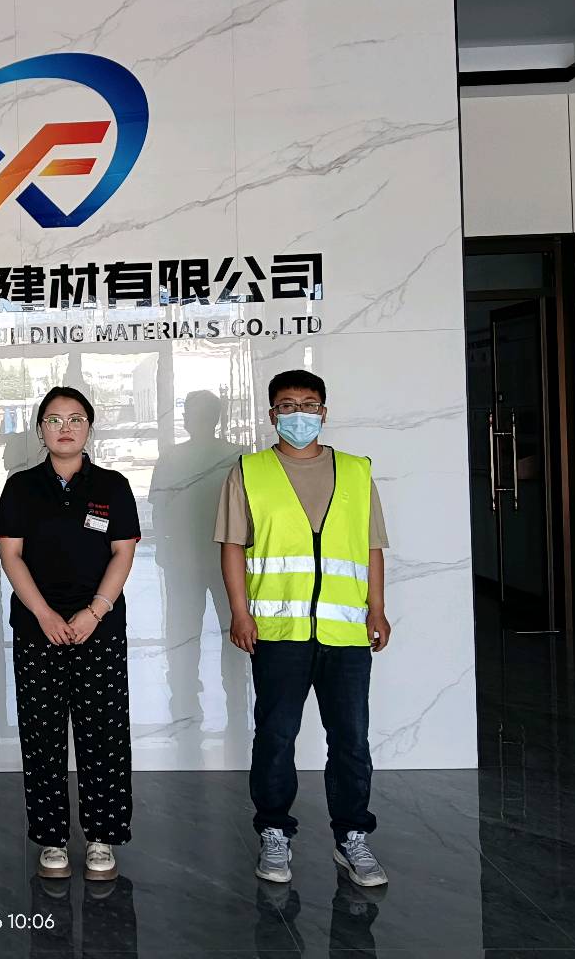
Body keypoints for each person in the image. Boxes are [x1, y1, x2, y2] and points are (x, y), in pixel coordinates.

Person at [217, 370, 393, 888]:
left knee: (351, 738)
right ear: (273, 415)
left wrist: (377, 609)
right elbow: (232, 547)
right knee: (276, 735)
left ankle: (352, 836)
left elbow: (372, 547)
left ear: (324, 411)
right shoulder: (249, 472)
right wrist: (240, 613)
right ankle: (274, 832)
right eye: (288, 405)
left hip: (345, 632)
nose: (300, 413)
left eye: (309, 404)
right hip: (278, 630)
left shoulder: (357, 471)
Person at [0, 386, 140, 883]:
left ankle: (102, 836)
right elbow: (11, 554)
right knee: (43, 735)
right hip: (38, 628)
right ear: (40, 429)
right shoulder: (21, 487)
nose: (65, 428)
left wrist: (94, 612)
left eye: (75, 419)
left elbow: (123, 551)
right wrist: (44, 615)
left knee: (103, 734)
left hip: (99, 627)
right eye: (54, 420)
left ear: (89, 428)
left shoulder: (112, 486)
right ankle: (52, 838)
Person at [150, 390, 249, 761]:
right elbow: (160, 507)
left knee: (217, 631)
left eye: (196, 413)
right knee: (197, 632)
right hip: (195, 559)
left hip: (216, 560)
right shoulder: (227, 456)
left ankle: (200, 699)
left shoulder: (236, 457)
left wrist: (163, 548)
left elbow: (160, 509)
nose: (193, 419)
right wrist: (164, 548)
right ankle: (200, 699)